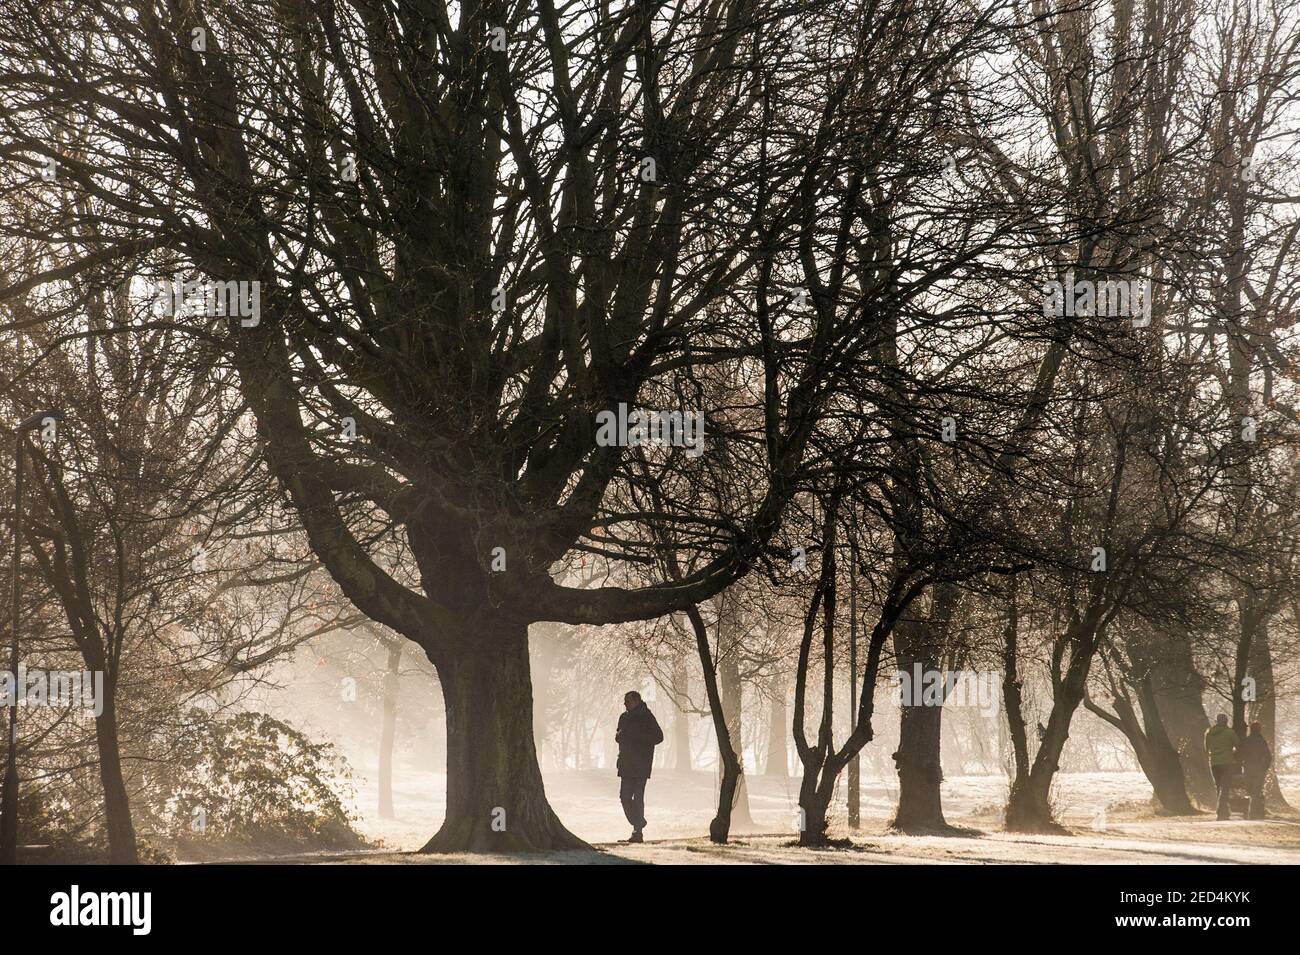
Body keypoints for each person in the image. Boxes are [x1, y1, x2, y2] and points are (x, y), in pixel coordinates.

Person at [615, 690, 663, 843]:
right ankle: (639, 822)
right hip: (626, 763)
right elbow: (619, 736)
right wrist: (620, 737)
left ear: (636, 701)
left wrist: (637, 737)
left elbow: (659, 737)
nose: (624, 704)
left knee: (638, 798)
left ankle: (638, 832)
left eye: (627, 701)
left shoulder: (646, 716)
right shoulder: (624, 717)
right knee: (624, 798)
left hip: (641, 764)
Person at [1204, 714, 1240, 820]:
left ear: (1216, 722)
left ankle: (1222, 811)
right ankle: (1222, 812)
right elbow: (1238, 745)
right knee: (1225, 788)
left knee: (1219, 787)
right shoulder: (1230, 732)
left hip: (1214, 763)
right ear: (1226, 721)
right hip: (1227, 762)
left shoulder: (1209, 733)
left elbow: (1206, 748)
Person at [1239, 721, 1272, 821]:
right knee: (1255, 792)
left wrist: (1241, 763)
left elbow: (1239, 753)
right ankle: (1253, 814)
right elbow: (1268, 756)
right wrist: (1265, 768)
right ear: (1259, 730)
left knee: (1250, 791)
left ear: (1251, 729)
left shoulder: (1246, 740)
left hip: (1248, 769)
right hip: (1259, 769)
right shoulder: (1262, 741)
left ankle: (1251, 814)